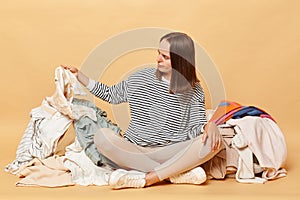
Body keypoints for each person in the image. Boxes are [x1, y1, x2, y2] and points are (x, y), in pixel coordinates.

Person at [63, 32, 223, 189]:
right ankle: (173, 173)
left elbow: (195, 128)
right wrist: (80, 77)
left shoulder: (194, 90)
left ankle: (148, 178)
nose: (158, 59)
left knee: (214, 141)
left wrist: (208, 126)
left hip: (170, 150)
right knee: (102, 137)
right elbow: (111, 95)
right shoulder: (140, 78)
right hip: (136, 150)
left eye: (165, 57)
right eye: (159, 53)